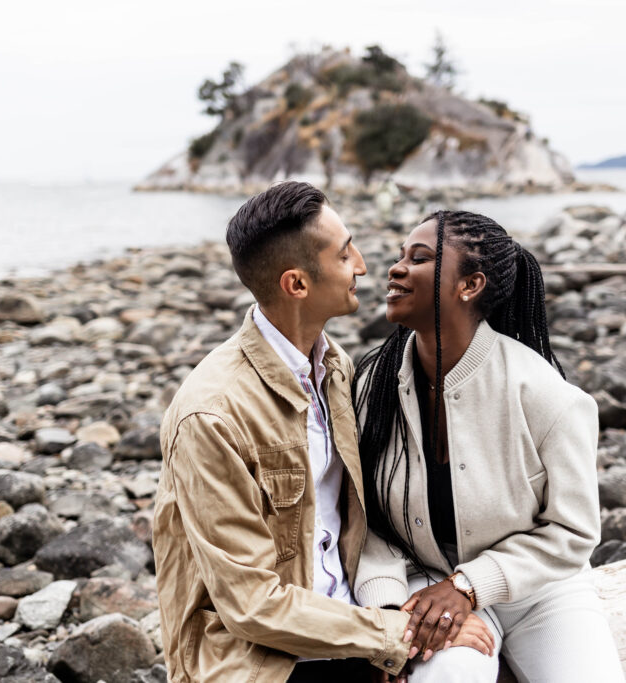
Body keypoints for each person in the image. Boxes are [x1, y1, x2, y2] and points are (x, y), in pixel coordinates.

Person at [153, 181, 433, 682]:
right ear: (296, 284)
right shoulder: (211, 416)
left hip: (350, 630)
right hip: (262, 662)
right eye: (345, 253)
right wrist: (390, 635)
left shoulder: (335, 367)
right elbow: (250, 604)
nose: (364, 266)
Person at [352, 210, 626, 682]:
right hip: (424, 579)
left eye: (420, 258)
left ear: (470, 285)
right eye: (400, 256)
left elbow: (574, 532)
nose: (395, 268)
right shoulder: (371, 388)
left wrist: (469, 587)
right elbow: (364, 518)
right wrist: (389, 610)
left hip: (539, 591)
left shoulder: (547, 396)